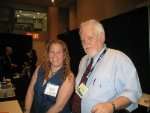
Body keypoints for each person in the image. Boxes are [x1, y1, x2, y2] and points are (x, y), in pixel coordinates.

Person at [72, 19, 142, 113]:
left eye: (90, 38)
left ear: (101, 37)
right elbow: (80, 90)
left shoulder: (119, 59)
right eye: (83, 41)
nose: (86, 44)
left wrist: (111, 106)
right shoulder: (83, 61)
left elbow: (133, 92)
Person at [24, 39, 74, 113]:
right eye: (52, 52)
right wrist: (27, 111)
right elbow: (30, 91)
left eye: (58, 52)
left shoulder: (68, 77)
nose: (55, 55)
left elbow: (58, 107)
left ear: (64, 55)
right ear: (48, 54)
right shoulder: (40, 69)